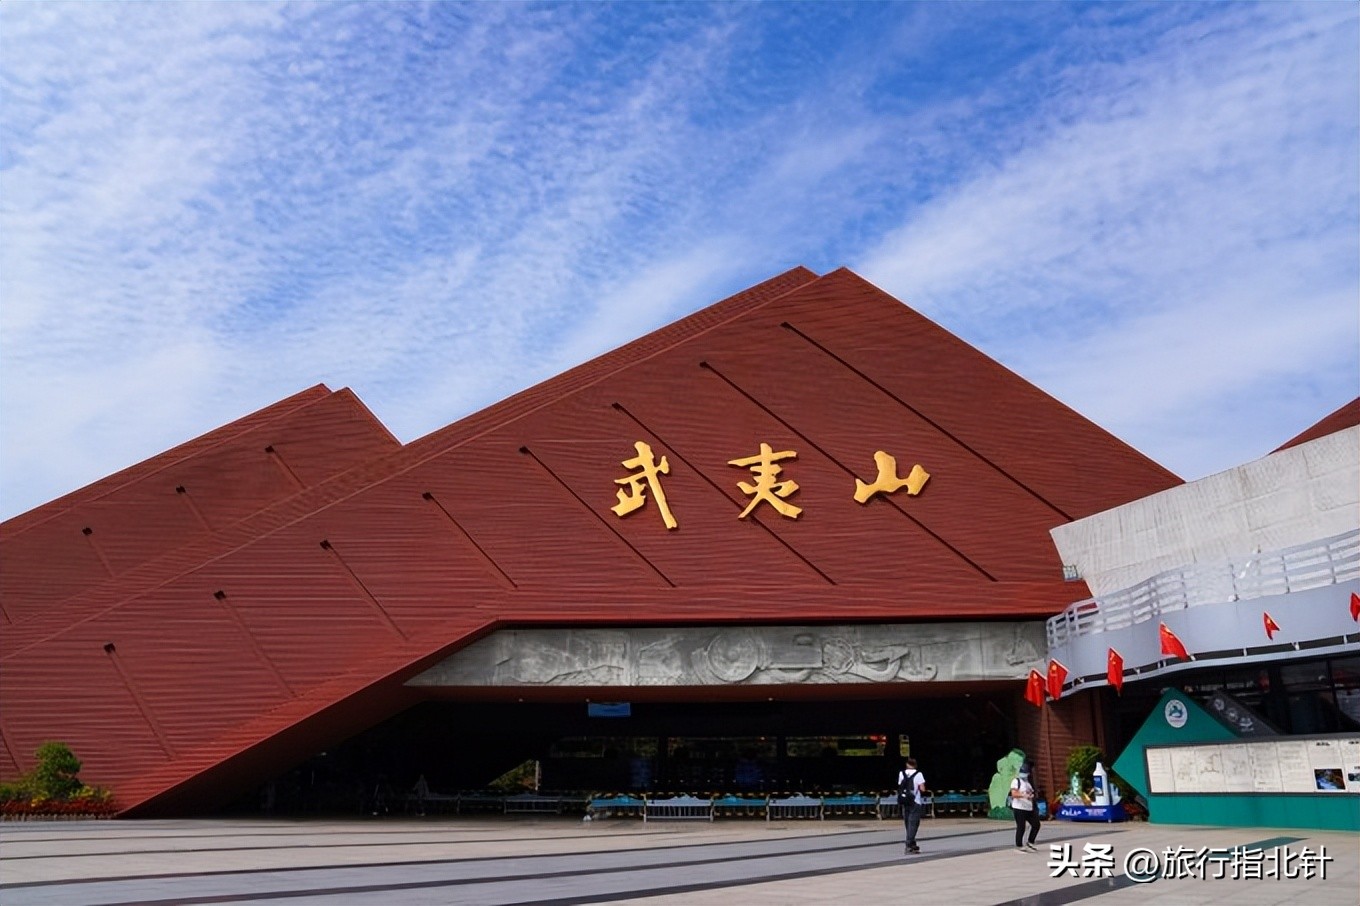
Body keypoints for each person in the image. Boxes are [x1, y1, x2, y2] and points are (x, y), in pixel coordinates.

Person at [1010, 759, 1041, 852]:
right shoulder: (1016, 781)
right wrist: (1023, 795)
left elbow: (1031, 793)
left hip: (1028, 807)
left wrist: (1031, 796)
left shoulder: (1027, 783)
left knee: (1036, 824)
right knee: (1021, 826)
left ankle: (1030, 842)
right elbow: (1014, 794)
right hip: (1019, 808)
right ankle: (1019, 845)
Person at [897, 756, 926, 854]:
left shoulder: (902, 773)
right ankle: (909, 844)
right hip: (915, 801)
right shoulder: (919, 774)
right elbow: (922, 789)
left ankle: (912, 843)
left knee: (907, 822)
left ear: (907, 764)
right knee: (913, 823)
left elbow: (900, 785)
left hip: (905, 801)